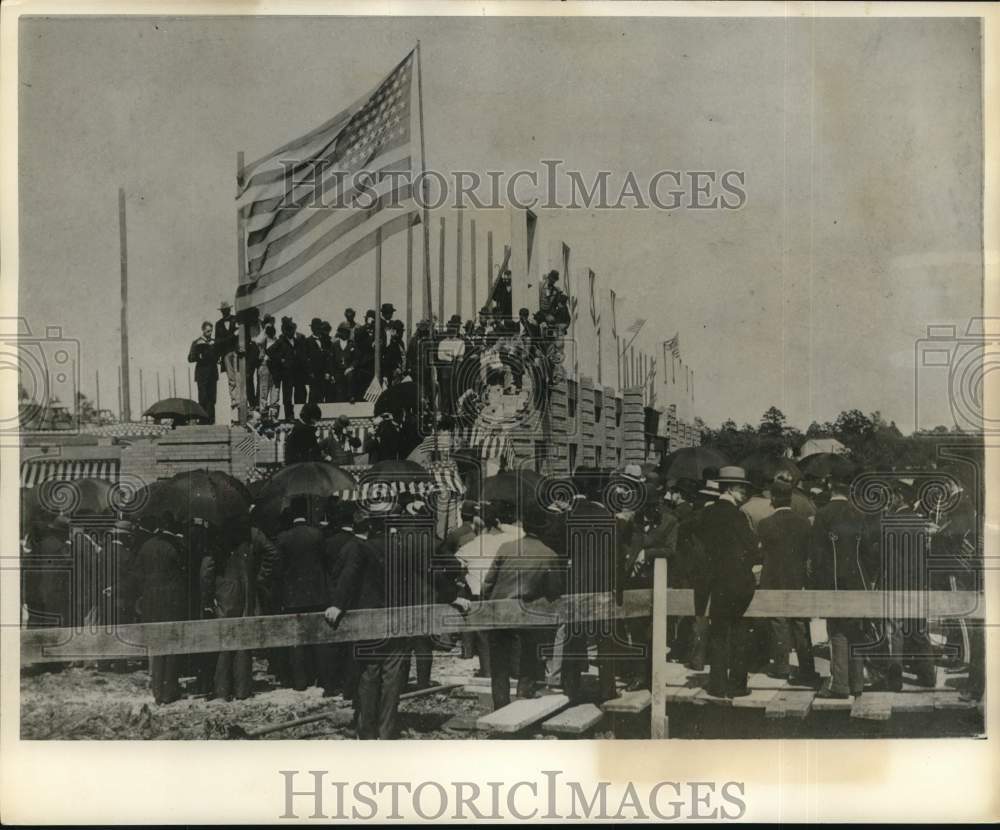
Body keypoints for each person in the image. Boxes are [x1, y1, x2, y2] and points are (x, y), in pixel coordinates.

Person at [481, 501, 565, 709]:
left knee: (499, 660)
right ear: (544, 527)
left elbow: (488, 583)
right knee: (531, 650)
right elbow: (555, 590)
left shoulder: (506, 547)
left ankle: (500, 702)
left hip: (499, 611)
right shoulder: (549, 555)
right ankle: (524, 692)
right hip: (527, 613)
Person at [809, 467, 877, 699]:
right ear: (849, 490)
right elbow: (869, 552)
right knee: (856, 631)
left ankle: (839, 685)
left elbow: (816, 555)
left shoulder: (823, 513)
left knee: (837, 631)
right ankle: (857, 684)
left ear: (830, 487)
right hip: (859, 581)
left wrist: (817, 584)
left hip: (833, 581)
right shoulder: (859, 514)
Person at [695, 466, 759, 699]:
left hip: (716, 582)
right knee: (740, 631)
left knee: (719, 632)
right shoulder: (738, 516)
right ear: (731, 489)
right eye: (742, 488)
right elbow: (752, 548)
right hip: (740, 583)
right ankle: (737, 685)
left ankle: (717, 684)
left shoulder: (707, 514)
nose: (745, 493)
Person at [757, 472, 820, 685]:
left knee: (779, 623)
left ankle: (781, 666)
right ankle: (807, 668)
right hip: (797, 579)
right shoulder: (804, 524)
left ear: (773, 499)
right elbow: (808, 554)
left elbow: (762, 552)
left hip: (773, 579)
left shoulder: (765, 524)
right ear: (790, 498)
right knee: (800, 625)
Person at [130, 512, 189, 704]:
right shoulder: (176, 546)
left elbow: (137, 574)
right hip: (172, 602)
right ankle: (170, 689)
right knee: (171, 644)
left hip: (151, 601)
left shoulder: (146, 546)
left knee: (155, 644)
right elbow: (184, 571)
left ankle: (157, 690)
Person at [275, 495, 333, 691]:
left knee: (297, 639)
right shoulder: (317, 535)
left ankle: (300, 682)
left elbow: (279, 568)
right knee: (319, 638)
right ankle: (324, 679)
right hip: (317, 594)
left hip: (292, 596)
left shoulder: (283, 538)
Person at [267, 317, 300, 421]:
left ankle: (289, 416)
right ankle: (275, 416)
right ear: (285, 330)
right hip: (282, 372)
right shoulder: (281, 341)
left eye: (292, 329)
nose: (291, 331)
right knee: (278, 395)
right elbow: (269, 351)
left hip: (292, 372)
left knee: (288, 395)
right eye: (288, 329)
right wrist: (280, 359)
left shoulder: (296, 341)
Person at [188, 321, 218, 424]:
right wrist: (198, 356)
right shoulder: (196, 342)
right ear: (203, 330)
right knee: (203, 397)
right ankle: (203, 420)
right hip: (201, 374)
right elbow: (190, 358)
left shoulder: (214, 342)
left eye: (211, 331)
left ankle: (211, 420)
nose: (210, 333)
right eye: (208, 331)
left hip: (213, 373)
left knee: (212, 398)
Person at [215, 300, 240, 420]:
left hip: (236, 352)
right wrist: (233, 336)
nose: (225, 312)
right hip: (225, 353)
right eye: (223, 311)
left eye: (227, 310)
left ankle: (240, 400)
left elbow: (241, 336)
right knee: (231, 378)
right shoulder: (218, 324)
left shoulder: (236, 319)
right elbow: (218, 342)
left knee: (238, 376)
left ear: (230, 310)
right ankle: (234, 401)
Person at [436, 315, 466, 415]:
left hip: (456, 370)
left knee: (455, 392)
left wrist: (449, 355)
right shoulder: (443, 342)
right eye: (452, 328)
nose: (454, 330)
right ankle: (445, 413)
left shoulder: (461, 342)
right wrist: (452, 356)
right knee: (445, 392)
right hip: (445, 370)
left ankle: (454, 413)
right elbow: (440, 356)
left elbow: (460, 356)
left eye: (456, 328)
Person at [253, 315, 279, 419]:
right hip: (264, 364)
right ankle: (263, 410)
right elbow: (258, 341)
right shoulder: (262, 336)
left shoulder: (275, 338)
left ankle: (273, 410)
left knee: (274, 388)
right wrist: (265, 329)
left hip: (274, 365)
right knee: (263, 389)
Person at [382, 320, 406, 385]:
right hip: (390, 373)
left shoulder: (401, 343)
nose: (401, 334)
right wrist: (385, 375)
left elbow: (403, 356)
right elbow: (386, 359)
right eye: (399, 332)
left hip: (399, 373)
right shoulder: (389, 342)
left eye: (401, 332)